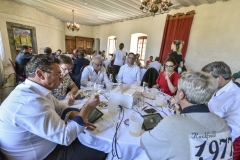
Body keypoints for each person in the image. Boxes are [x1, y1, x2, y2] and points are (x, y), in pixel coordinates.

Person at [0, 54, 105, 160]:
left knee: (89, 139)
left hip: (48, 143)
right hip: (43, 155)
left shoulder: (35, 89)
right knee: (102, 150)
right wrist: (87, 107)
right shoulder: (30, 101)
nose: (62, 78)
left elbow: (59, 107)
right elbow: (65, 137)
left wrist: (77, 117)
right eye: (58, 74)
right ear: (40, 74)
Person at [141, 71, 232, 160]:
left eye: (178, 91)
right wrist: (180, 114)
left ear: (181, 95)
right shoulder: (221, 122)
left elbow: (144, 143)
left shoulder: (172, 123)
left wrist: (176, 119)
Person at [202, 61, 240, 160]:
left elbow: (234, 130)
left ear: (219, 78)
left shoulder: (236, 96)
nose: (205, 81)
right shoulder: (215, 88)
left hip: (220, 143)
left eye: (208, 78)